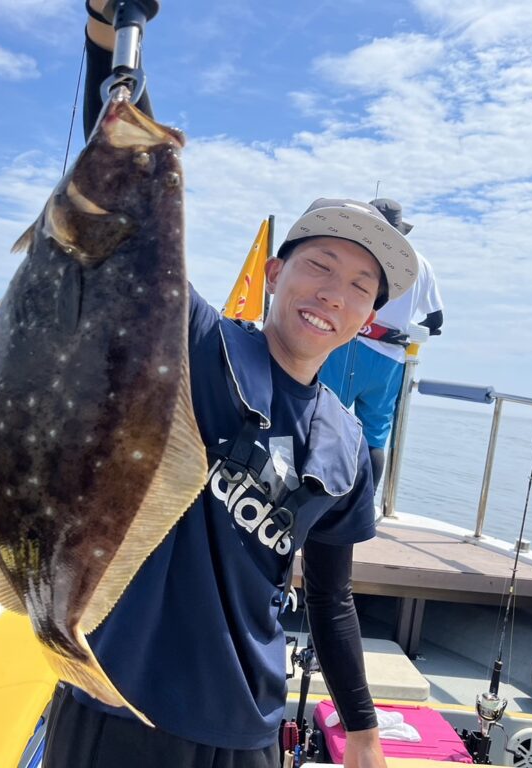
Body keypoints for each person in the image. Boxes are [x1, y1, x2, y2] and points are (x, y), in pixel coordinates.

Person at [41, 5, 419, 768]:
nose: (334, 293)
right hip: (116, 700)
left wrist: (364, 730)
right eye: (320, 266)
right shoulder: (197, 344)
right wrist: (107, 35)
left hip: (247, 728)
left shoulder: (347, 447)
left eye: (360, 286)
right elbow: (127, 191)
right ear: (275, 274)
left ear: (368, 319)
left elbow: (331, 599)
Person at [320, 199, 443, 488]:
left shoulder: (364, 252)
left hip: (350, 348)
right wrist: (402, 334)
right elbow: (436, 321)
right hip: (392, 363)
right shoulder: (422, 264)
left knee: (323, 423)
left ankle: (319, 497)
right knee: (375, 439)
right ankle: (365, 505)